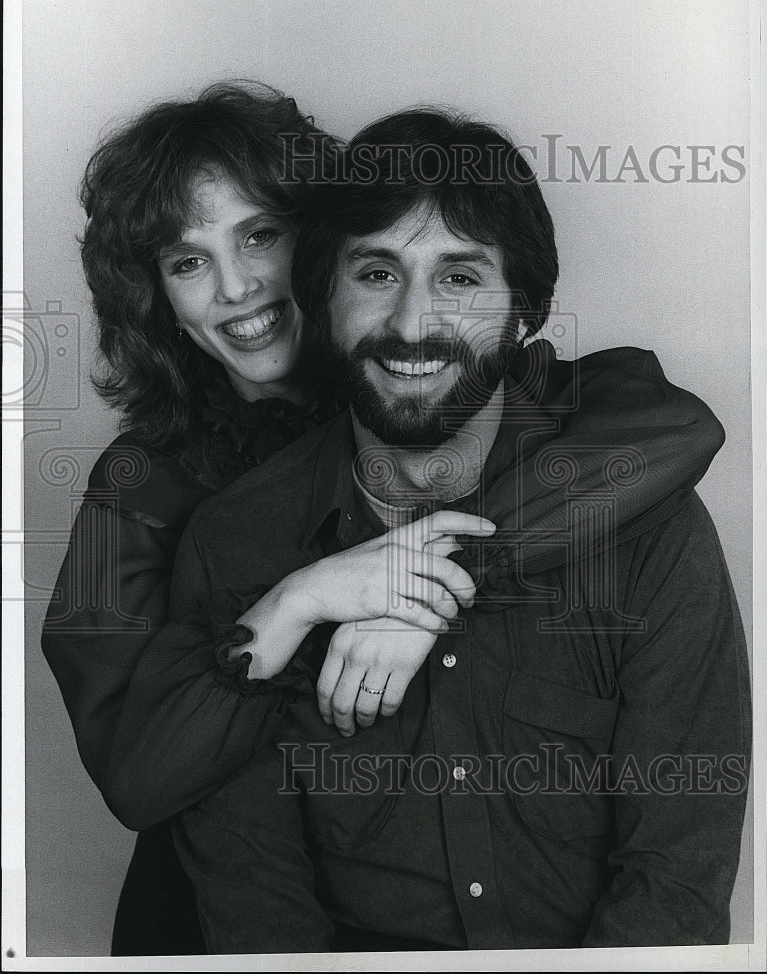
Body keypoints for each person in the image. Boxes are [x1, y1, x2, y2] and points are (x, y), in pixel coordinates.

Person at [42, 86, 728, 956]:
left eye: (258, 235)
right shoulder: (150, 496)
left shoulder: (493, 409)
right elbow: (144, 781)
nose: (238, 285)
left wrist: (444, 571)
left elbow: (677, 427)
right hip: (201, 916)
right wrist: (293, 602)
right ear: (155, 298)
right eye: (185, 262)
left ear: (310, 245)